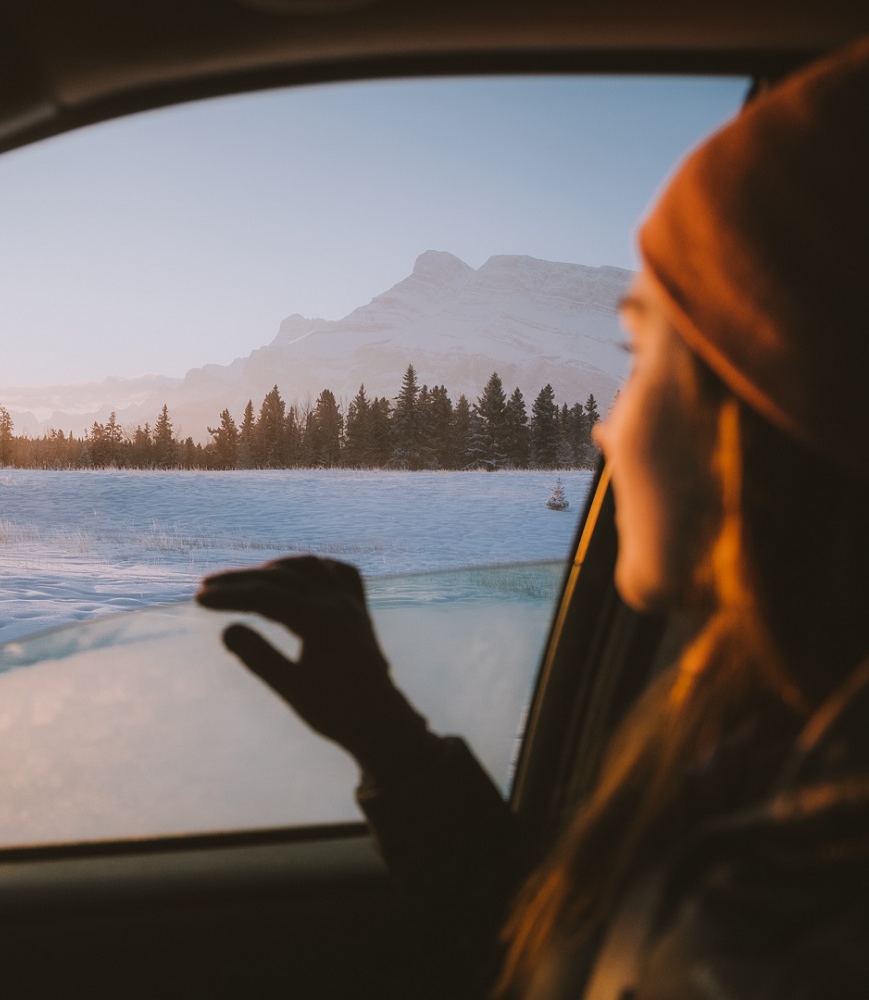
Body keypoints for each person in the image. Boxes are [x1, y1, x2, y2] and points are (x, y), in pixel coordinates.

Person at [197, 36, 869, 1000]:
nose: (604, 431)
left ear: (773, 403)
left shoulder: (799, 921)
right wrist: (388, 738)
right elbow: (555, 955)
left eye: (642, 362)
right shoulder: (761, 739)